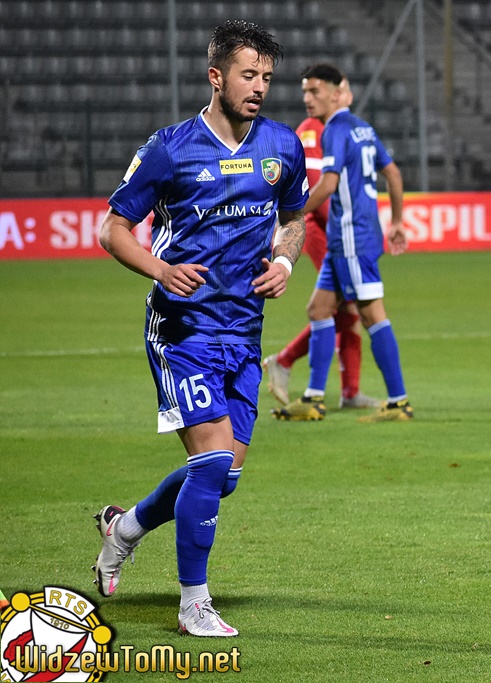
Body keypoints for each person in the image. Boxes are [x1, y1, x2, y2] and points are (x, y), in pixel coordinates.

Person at [91, 19, 308, 637]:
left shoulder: (281, 146)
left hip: (244, 331)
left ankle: (124, 527)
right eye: (248, 74)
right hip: (182, 330)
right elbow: (111, 229)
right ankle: (194, 605)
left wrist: (285, 261)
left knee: (223, 478)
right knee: (211, 463)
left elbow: (293, 217)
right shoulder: (170, 148)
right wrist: (160, 269)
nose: (259, 86)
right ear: (216, 76)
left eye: (267, 77)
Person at [272, 63, 412, 423]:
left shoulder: (334, 129)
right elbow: (393, 173)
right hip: (345, 239)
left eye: (315, 91)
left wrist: (291, 215)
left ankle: (398, 401)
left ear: (336, 94)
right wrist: (396, 222)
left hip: (352, 238)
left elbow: (328, 185)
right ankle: (313, 398)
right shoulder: (362, 128)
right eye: (305, 91)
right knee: (319, 310)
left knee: (371, 314)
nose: (308, 98)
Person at [261, 95, 379, 410]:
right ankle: (286, 362)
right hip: (323, 227)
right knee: (342, 306)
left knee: (347, 309)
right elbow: (317, 190)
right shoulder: (313, 130)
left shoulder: (339, 129)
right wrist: (344, 230)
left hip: (339, 229)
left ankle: (348, 391)